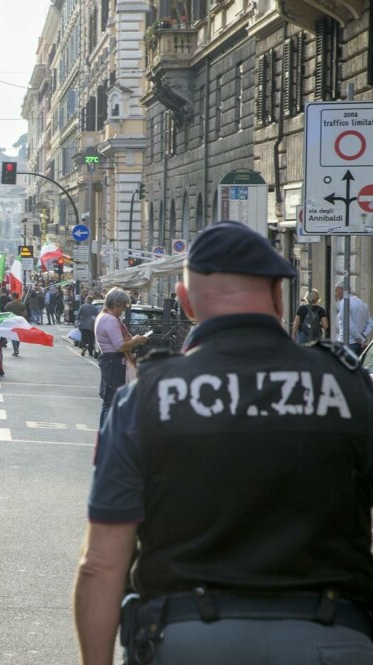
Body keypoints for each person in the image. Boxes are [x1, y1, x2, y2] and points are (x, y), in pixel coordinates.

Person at [75, 220, 373, 665]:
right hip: (330, 637)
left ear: (184, 301)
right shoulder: (351, 389)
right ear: (277, 295)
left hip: (186, 640)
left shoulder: (147, 399)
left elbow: (102, 564)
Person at [94, 287, 148, 427]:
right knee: (113, 401)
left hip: (109, 360)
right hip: (114, 362)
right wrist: (136, 340)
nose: (122, 311)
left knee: (108, 402)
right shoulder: (110, 320)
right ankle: (108, 435)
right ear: (115, 305)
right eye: (122, 308)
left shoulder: (103, 316)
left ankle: (104, 435)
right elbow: (120, 346)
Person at [334, 282, 373, 354]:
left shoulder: (344, 303)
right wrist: (364, 336)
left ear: (341, 290)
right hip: (359, 344)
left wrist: (360, 339)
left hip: (348, 343)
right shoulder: (362, 303)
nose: (335, 294)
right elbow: (370, 323)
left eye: (336, 290)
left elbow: (348, 324)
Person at [2, 291, 27, 356]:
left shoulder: (9, 304)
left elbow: (5, 312)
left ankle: (15, 349)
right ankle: (17, 348)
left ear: (13, 296)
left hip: (11, 322)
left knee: (13, 336)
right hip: (19, 322)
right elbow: (25, 314)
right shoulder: (22, 305)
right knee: (18, 336)